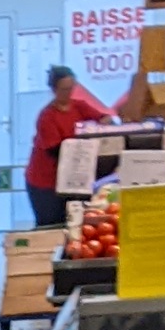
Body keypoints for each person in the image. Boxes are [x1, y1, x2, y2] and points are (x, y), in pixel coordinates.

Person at [25, 63, 111, 228]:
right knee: (52, 226)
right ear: (54, 90)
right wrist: (84, 149)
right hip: (46, 182)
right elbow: (56, 151)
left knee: (76, 223)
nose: (69, 93)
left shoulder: (79, 106)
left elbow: (105, 118)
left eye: (71, 88)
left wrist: (103, 126)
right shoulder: (47, 117)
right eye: (64, 89)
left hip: (74, 179)